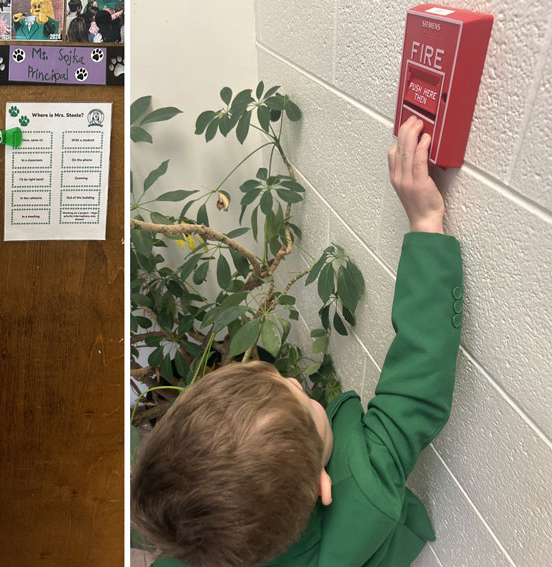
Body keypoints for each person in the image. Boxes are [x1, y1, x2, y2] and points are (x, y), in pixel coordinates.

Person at [131, 116, 463, 567]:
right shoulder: (364, 485)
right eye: (304, 402)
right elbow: (416, 383)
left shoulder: (191, 554)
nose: (294, 381)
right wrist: (425, 222)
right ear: (321, 487)